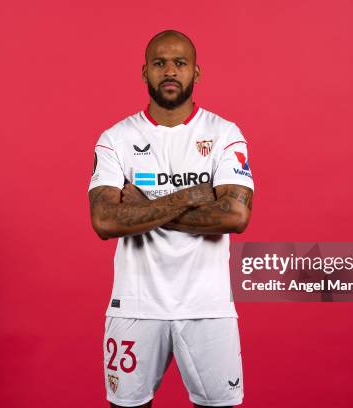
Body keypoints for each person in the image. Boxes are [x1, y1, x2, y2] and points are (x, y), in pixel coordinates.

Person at [88, 29, 254, 408]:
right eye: (159, 63)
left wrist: (146, 205)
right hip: (135, 305)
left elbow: (236, 213)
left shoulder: (225, 134)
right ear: (144, 72)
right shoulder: (115, 139)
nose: (170, 71)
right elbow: (105, 221)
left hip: (208, 307)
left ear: (196, 73)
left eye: (180, 63)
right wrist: (196, 195)